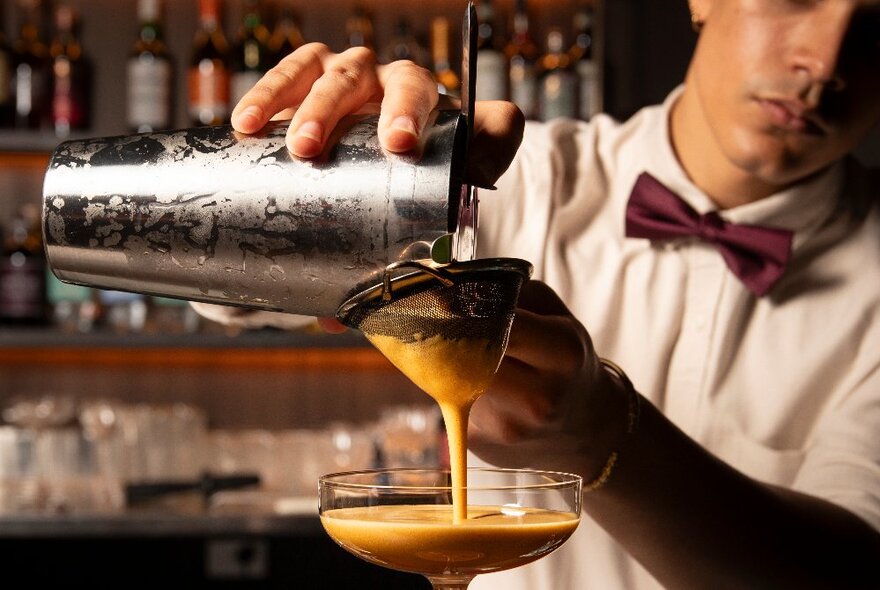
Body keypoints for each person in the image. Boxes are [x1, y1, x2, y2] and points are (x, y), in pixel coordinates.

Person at [196, 1, 880, 588]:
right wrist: (326, 174)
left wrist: (608, 441)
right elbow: (224, 290)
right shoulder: (497, 179)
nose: (823, 62)